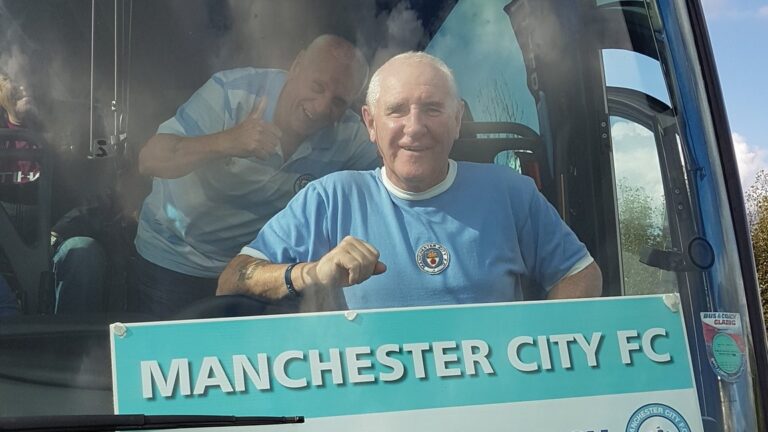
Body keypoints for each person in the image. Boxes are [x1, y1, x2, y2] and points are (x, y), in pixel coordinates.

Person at [217, 51, 602, 311]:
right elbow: (233, 278)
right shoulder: (330, 198)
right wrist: (311, 272)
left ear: (457, 119)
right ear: (370, 123)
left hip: (491, 398)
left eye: (432, 109)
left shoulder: (510, 192)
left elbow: (580, 274)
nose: (414, 128)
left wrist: (540, 353)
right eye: (397, 111)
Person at [133, 34, 379, 318]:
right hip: (174, 257)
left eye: (338, 101)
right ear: (297, 65)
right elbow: (149, 160)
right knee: (170, 347)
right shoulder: (230, 92)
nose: (323, 106)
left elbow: (394, 178)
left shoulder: (349, 134)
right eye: (317, 86)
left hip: (253, 271)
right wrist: (228, 142)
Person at [0, 71, 106, 314]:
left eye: (28, 72)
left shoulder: (74, 126)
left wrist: (60, 231)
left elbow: (100, 189)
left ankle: (72, 336)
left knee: (84, 253)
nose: (23, 84)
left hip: (58, 236)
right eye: (10, 77)